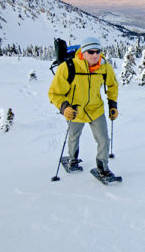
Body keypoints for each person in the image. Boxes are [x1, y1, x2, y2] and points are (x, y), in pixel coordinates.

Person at [48, 37, 119, 178]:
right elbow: (54, 93)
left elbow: (113, 85)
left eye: (98, 51)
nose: (95, 55)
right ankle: (72, 160)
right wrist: (64, 108)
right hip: (75, 110)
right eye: (91, 52)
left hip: (96, 109)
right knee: (74, 136)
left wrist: (113, 105)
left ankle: (102, 168)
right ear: (83, 52)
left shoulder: (104, 67)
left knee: (104, 139)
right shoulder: (68, 67)